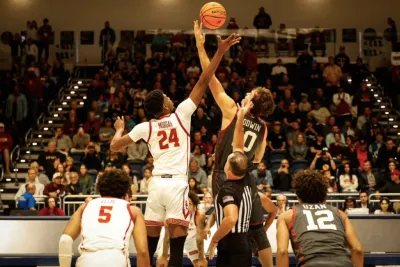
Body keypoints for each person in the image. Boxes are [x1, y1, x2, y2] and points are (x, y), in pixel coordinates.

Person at [110, 26, 240, 267]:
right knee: (177, 246)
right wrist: (219, 51)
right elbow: (204, 79)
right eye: (167, 98)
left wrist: (119, 128)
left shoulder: (144, 127)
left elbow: (115, 147)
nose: (171, 98)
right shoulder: (181, 114)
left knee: (150, 246)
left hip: (156, 184)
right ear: (166, 106)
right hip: (176, 185)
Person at [195, 21, 275, 267]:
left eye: (250, 94)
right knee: (255, 230)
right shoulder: (263, 127)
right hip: (248, 177)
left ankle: (214, 255)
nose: (247, 93)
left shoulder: (232, 109)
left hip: (224, 173)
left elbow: (210, 80)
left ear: (251, 102)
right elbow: (258, 160)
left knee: (226, 224)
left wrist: (201, 47)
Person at [58, 169, 150, 267]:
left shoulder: (85, 206)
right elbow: (143, 252)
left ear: (100, 187)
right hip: (116, 259)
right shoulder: (132, 210)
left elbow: (65, 240)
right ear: (125, 189)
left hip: (87, 260)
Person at [276, 170, 364, 267]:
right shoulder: (340, 214)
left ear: (298, 194)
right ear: (323, 193)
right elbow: (357, 249)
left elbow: (282, 251)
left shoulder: (287, 216)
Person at [207, 99, 253, 267]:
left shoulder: (227, 190)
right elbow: (239, 144)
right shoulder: (245, 176)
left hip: (231, 244)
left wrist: (214, 240)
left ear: (229, 168)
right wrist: (240, 116)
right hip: (244, 242)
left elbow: (231, 218)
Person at [157, 192, 208, 267]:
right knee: (162, 263)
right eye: (184, 204)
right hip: (173, 241)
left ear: (195, 207)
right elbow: (167, 236)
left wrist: (201, 258)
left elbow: (199, 238)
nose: (186, 207)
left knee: (201, 265)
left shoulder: (199, 215)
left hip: (190, 241)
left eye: (189, 204)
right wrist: (164, 256)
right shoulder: (173, 215)